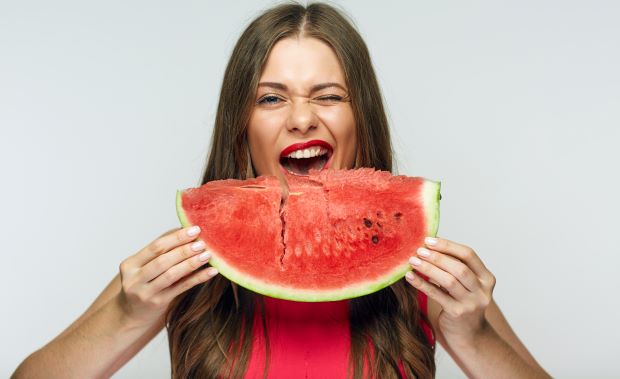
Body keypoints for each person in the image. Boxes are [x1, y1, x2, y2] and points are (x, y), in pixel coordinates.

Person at [12, 2, 552, 378]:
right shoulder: (188, 257)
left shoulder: (422, 267)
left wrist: (472, 335)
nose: (300, 118)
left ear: (360, 116)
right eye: (271, 98)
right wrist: (127, 315)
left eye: (329, 95)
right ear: (240, 124)